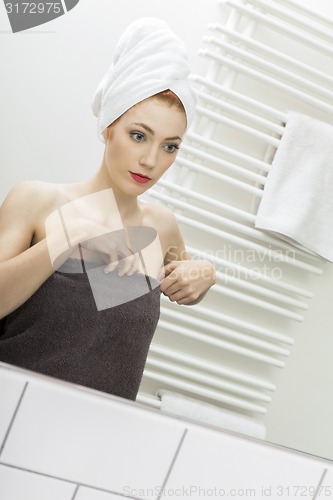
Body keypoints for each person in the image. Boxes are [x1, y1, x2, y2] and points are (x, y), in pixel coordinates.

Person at [0, 18, 215, 400]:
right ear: (107, 128)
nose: (150, 160)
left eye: (170, 146)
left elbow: (184, 282)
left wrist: (203, 273)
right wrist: (70, 236)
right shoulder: (37, 201)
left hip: (100, 440)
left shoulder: (161, 226)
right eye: (138, 135)